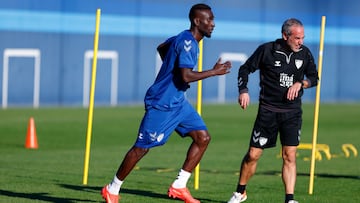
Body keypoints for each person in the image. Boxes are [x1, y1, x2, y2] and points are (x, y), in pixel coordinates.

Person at [101, 3, 232, 203]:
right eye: (209, 20)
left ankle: (179, 186)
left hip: (178, 102)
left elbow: (161, 47)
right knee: (141, 148)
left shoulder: (183, 38)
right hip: (161, 103)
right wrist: (214, 72)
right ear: (197, 22)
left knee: (202, 138)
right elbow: (186, 76)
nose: (213, 24)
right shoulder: (187, 42)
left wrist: (170, 66)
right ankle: (112, 188)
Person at [227, 18, 318, 203]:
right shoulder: (267, 50)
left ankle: (289, 199)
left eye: (303, 38)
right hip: (268, 111)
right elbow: (244, 70)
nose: (301, 42)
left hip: (292, 113)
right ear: (285, 36)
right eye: (297, 38)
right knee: (253, 155)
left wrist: (301, 83)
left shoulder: (305, 53)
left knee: (289, 155)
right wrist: (243, 91)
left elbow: (314, 78)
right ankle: (240, 192)